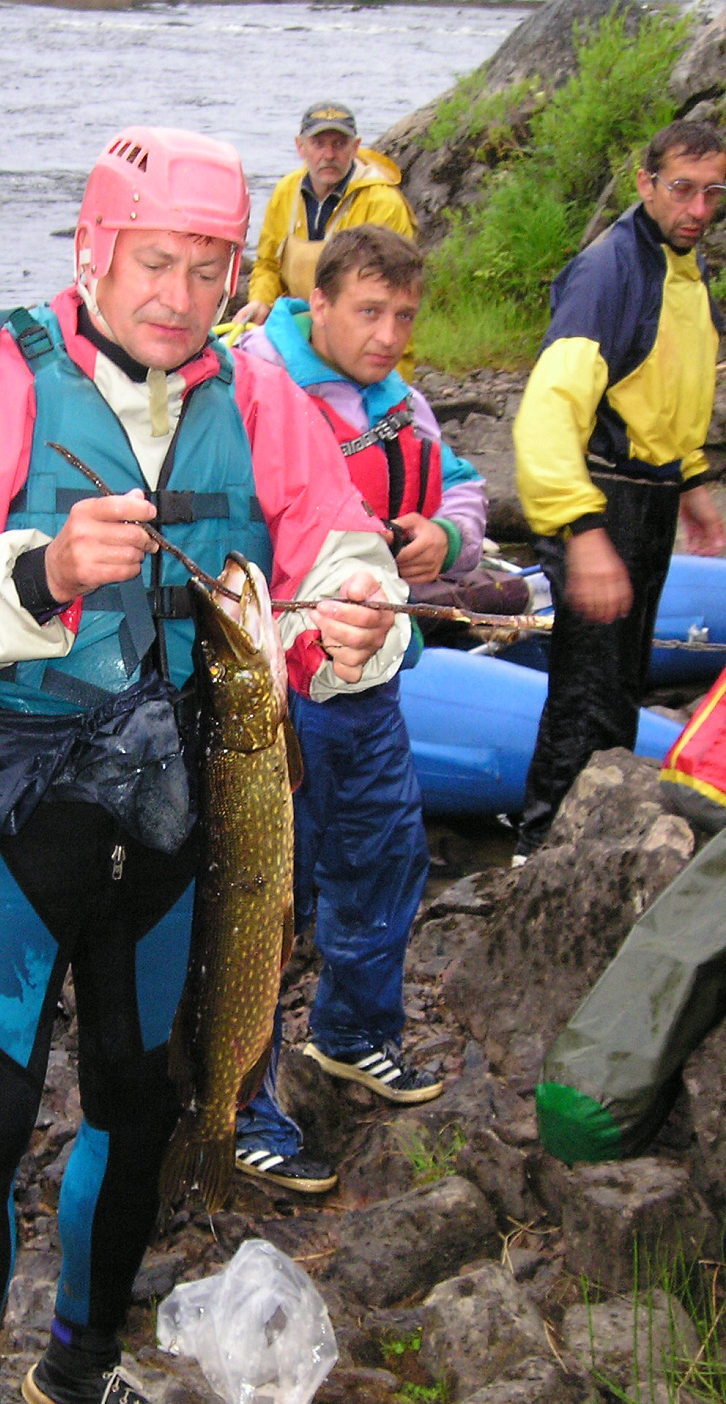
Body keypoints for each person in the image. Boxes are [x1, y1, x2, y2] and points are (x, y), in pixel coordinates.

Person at [0, 126, 409, 1404]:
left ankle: (78, 1360)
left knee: (142, 1110)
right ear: (92, 250)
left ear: (238, 269)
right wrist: (37, 572)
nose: (178, 292)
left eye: (208, 265)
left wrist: (358, 623)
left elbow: (339, 546)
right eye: (153, 260)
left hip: (177, 836)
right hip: (11, 827)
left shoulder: (267, 398)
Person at [232, 225, 486, 1191]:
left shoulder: (405, 406)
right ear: (321, 303)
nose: (388, 335)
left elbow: (462, 488)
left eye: (405, 317)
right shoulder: (253, 386)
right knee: (263, 899)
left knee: (385, 853)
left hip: (371, 675)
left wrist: (442, 539)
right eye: (369, 313)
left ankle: (350, 1032)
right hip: (275, 689)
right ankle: (238, 1102)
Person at [513, 119, 726, 862]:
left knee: (622, 682)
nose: (696, 208)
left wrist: (692, 481)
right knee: (587, 692)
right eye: (680, 190)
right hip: (594, 494)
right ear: (644, 184)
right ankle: (544, 850)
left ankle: (587, 842)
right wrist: (581, 531)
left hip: (647, 497)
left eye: (711, 193)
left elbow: (670, 390)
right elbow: (546, 413)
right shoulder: (610, 271)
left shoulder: (684, 273)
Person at [233, 101, 416, 332]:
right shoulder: (285, 191)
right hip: (299, 328)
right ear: (300, 147)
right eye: (318, 144)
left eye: (339, 144)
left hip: (361, 332)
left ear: (355, 147)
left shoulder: (384, 203)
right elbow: (268, 265)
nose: (328, 155)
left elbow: (394, 293)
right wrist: (260, 301)